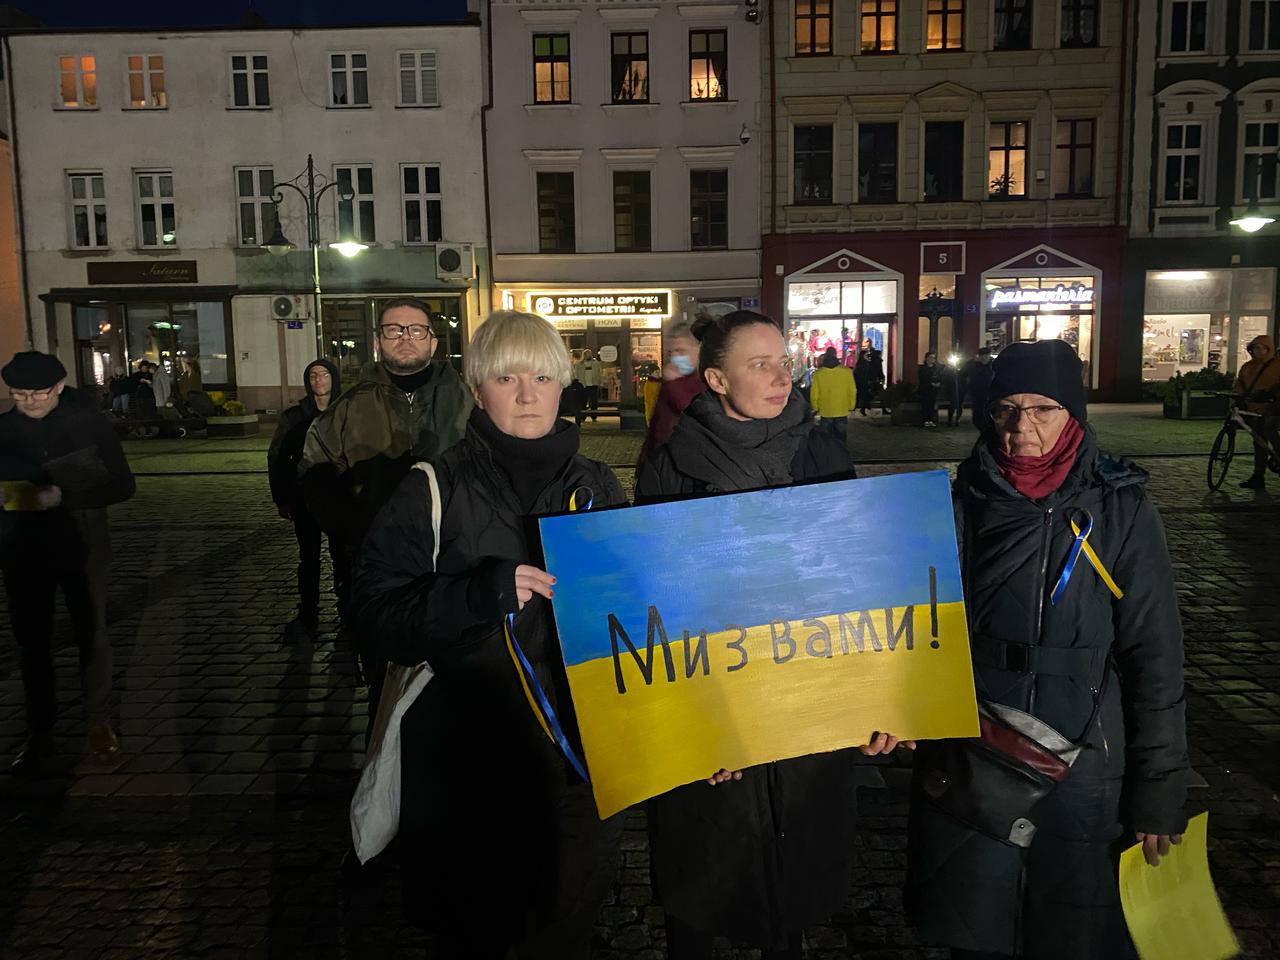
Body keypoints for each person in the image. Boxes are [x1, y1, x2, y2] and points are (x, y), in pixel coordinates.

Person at [635, 310, 910, 960]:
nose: (780, 375)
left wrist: (882, 695)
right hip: (715, 724)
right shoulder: (672, 466)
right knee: (700, 897)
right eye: (759, 364)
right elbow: (657, 607)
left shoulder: (821, 452)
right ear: (715, 378)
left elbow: (853, 585)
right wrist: (695, 731)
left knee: (791, 897)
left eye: (783, 361)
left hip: (802, 718)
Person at [352, 310, 625, 959]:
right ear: (478, 390)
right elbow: (374, 614)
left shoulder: (599, 487)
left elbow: (643, 623)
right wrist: (475, 596)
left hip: (573, 767)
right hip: (464, 772)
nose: (526, 393)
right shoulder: (433, 487)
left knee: (565, 928)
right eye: (506, 378)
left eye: (540, 376)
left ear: (564, 385)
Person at [906, 339, 1188, 960]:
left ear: (1074, 415)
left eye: (1043, 409)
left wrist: (1160, 791)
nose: (1022, 428)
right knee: (974, 922)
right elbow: (913, 628)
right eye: (1007, 408)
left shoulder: (1120, 508)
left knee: (1074, 931)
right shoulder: (957, 502)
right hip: (977, 742)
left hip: (1087, 751)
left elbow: (1156, 656)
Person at [299, 297, 472, 708]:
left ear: (433, 341)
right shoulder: (351, 404)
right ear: (379, 341)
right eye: (394, 330)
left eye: (416, 330)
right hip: (379, 567)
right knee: (385, 682)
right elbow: (314, 470)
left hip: (454, 561)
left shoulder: (467, 398)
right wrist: (355, 529)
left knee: (456, 685)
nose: (405, 338)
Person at [0, 351, 135, 774]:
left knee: (91, 634)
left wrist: (64, 496)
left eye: (38, 393)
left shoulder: (88, 424)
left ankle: (98, 722)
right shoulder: (3, 430)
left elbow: (122, 484)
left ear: (59, 386)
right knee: (32, 643)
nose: (30, 402)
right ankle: (41, 732)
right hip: (22, 548)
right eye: (19, 395)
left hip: (82, 544)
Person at [268, 359, 343, 643]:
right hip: (304, 498)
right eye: (313, 375)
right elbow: (276, 457)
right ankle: (308, 614)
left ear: (333, 379)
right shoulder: (294, 417)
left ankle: (346, 610)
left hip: (339, 499)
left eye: (323, 375)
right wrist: (282, 497)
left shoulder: (344, 411)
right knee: (308, 558)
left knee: (342, 558)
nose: (318, 380)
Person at [637, 321, 705, 468]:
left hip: (685, 465)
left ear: (699, 349)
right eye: (670, 352)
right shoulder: (673, 379)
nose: (674, 357)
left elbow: (694, 413)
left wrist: (673, 385)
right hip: (661, 463)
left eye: (680, 351)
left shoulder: (707, 382)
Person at [1232, 334, 1280, 490]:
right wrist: (1239, 395)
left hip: (1272, 408)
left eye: (1261, 348)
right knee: (1258, 442)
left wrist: (1271, 395)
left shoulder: (1276, 367)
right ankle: (1258, 476)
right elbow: (1240, 383)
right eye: (1254, 348)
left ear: (1268, 349)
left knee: (1269, 430)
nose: (1257, 351)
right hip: (1254, 409)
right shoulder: (1247, 367)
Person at [809, 345, 856, 444]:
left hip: (825, 409)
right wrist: (851, 405)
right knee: (840, 437)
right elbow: (852, 390)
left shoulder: (818, 373)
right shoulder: (847, 372)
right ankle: (841, 455)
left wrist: (815, 407)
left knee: (826, 439)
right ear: (836, 356)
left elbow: (814, 393)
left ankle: (828, 456)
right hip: (842, 408)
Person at [961, 347, 995, 428]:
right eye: (982, 355)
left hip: (990, 391)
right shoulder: (972, 364)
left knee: (988, 408)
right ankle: (979, 422)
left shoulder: (994, 364)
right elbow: (963, 374)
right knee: (977, 409)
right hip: (976, 391)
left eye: (986, 355)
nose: (984, 358)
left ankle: (988, 423)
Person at [854, 338, 885, 416]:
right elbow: (859, 366)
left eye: (869, 342)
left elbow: (877, 365)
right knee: (866, 393)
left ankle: (866, 407)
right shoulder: (863, 354)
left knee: (876, 392)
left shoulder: (874, 354)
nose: (868, 344)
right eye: (866, 342)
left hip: (871, 376)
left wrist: (880, 375)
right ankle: (863, 407)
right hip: (865, 377)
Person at [573, 349, 602, 421]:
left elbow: (599, 373)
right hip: (583, 385)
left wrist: (600, 382)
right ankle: (582, 417)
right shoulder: (579, 365)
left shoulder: (596, 363)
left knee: (594, 402)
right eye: (586, 354)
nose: (587, 356)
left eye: (589, 354)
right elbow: (576, 374)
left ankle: (594, 416)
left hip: (593, 384)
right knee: (583, 402)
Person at [918, 352, 943, 427]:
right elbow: (922, 379)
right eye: (930, 358)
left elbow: (940, 377)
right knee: (925, 404)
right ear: (926, 358)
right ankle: (925, 420)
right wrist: (930, 383)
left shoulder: (936, 368)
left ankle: (931, 420)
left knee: (932, 404)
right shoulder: (922, 368)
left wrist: (939, 383)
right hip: (925, 389)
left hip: (933, 389)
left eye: (933, 358)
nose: (932, 359)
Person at [940, 357, 962, 427]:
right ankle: (950, 420)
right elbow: (945, 379)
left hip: (960, 389)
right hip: (951, 390)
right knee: (952, 405)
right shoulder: (947, 370)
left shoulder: (960, 370)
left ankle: (957, 419)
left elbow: (963, 378)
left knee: (959, 405)